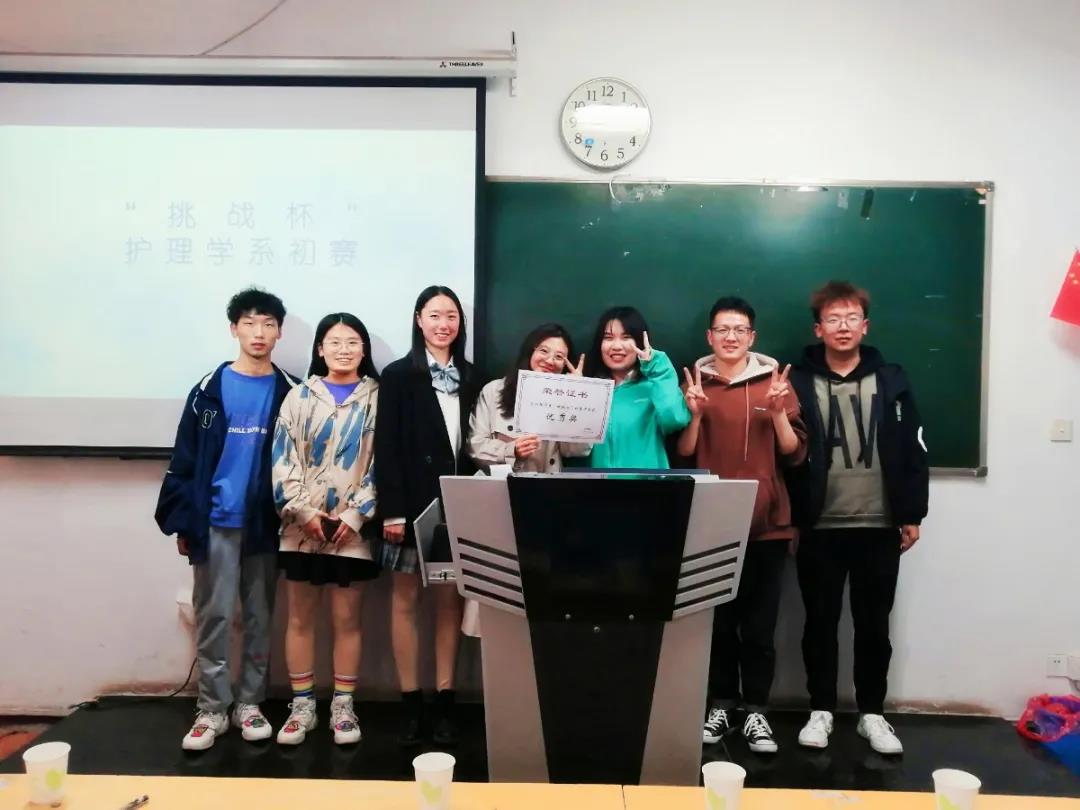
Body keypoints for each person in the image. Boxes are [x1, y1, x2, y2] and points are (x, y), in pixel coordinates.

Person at [786, 281, 929, 755]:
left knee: (873, 626)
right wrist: (792, 518)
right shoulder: (796, 381)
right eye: (833, 318)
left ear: (865, 326)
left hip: (879, 523)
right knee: (819, 623)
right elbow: (785, 454)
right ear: (818, 328)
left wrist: (912, 513)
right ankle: (821, 710)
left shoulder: (891, 378)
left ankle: (872, 713)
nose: (843, 327)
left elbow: (914, 447)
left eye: (851, 318)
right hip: (819, 525)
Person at [155, 287, 297, 751]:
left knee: (260, 615)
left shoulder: (290, 391)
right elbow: (184, 459)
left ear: (279, 332)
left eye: (268, 324)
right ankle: (212, 708)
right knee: (213, 615)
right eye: (249, 323)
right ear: (234, 328)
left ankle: (250, 703)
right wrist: (183, 522)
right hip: (214, 519)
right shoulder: (207, 390)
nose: (259, 333)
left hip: (264, 523)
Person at [677, 296, 807, 754]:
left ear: (752, 336)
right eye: (722, 329)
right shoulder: (695, 384)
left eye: (739, 329)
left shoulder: (776, 382)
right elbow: (684, 454)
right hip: (710, 525)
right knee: (718, 625)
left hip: (767, 523)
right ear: (709, 336)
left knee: (759, 628)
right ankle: (721, 705)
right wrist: (695, 415)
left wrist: (777, 412)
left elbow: (794, 453)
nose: (730, 337)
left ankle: (756, 712)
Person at [374, 285, 478, 745]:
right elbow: (387, 447)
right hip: (411, 507)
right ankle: (411, 702)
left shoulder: (474, 377)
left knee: (449, 603)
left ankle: (445, 701)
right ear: (419, 320)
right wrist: (392, 511)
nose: (443, 324)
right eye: (434, 315)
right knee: (404, 602)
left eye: (451, 315)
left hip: (459, 506)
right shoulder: (398, 375)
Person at [272, 313, 381, 746]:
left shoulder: (379, 398)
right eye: (334, 342)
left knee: (347, 620)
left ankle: (343, 707)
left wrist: (356, 515)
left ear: (364, 349)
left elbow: (386, 462)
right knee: (299, 617)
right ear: (320, 349)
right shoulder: (298, 396)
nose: (343, 350)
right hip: (301, 529)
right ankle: (302, 707)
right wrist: (303, 512)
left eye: (352, 342)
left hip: (352, 533)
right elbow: (282, 459)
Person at [468, 322, 591, 473]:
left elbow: (577, 450)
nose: (550, 361)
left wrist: (576, 396)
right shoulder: (494, 391)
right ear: (530, 351)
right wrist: (511, 450)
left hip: (548, 484)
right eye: (544, 351)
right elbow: (475, 446)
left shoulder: (564, 399)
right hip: (504, 484)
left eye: (559, 357)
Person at [584, 306, 690, 468]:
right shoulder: (591, 391)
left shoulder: (654, 387)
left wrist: (657, 367)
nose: (616, 346)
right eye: (608, 338)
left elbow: (675, 419)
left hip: (646, 483)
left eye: (626, 337)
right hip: (596, 483)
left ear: (640, 342)